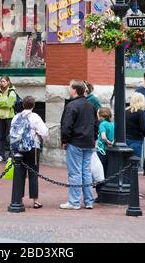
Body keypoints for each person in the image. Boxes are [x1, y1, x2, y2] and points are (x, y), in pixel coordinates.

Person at [60, 79, 98, 210]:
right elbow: (96, 125)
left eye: (70, 87)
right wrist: (94, 138)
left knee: (75, 172)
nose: (68, 89)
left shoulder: (71, 106)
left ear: (75, 90)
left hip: (75, 142)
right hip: (88, 142)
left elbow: (66, 126)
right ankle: (88, 201)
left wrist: (64, 141)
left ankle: (74, 202)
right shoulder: (90, 105)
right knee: (86, 172)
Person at [11, 95, 49, 209]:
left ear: (23, 105)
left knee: (19, 174)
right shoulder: (35, 117)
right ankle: (35, 201)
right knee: (33, 174)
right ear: (33, 105)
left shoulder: (16, 116)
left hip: (18, 150)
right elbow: (44, 132)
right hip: (33, 148)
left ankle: (18, 198)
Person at [0, 75, 16, 162]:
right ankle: (1, 155)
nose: (2, 83)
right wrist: (4, 102)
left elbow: (9, 104)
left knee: (10, 137)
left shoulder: (12, 92)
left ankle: (11, 155)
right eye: (1, 81)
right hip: (0, 117)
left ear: (8, 82)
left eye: (4, 81)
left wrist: (0, 102)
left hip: (9, 117)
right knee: (0, 137)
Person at [126, 92, 145, 160]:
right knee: (134, 162)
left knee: (125, 162)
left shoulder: (125, 112)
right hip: (136, 141)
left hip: (125, 140)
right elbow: (143, 128)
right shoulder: (140, 112)